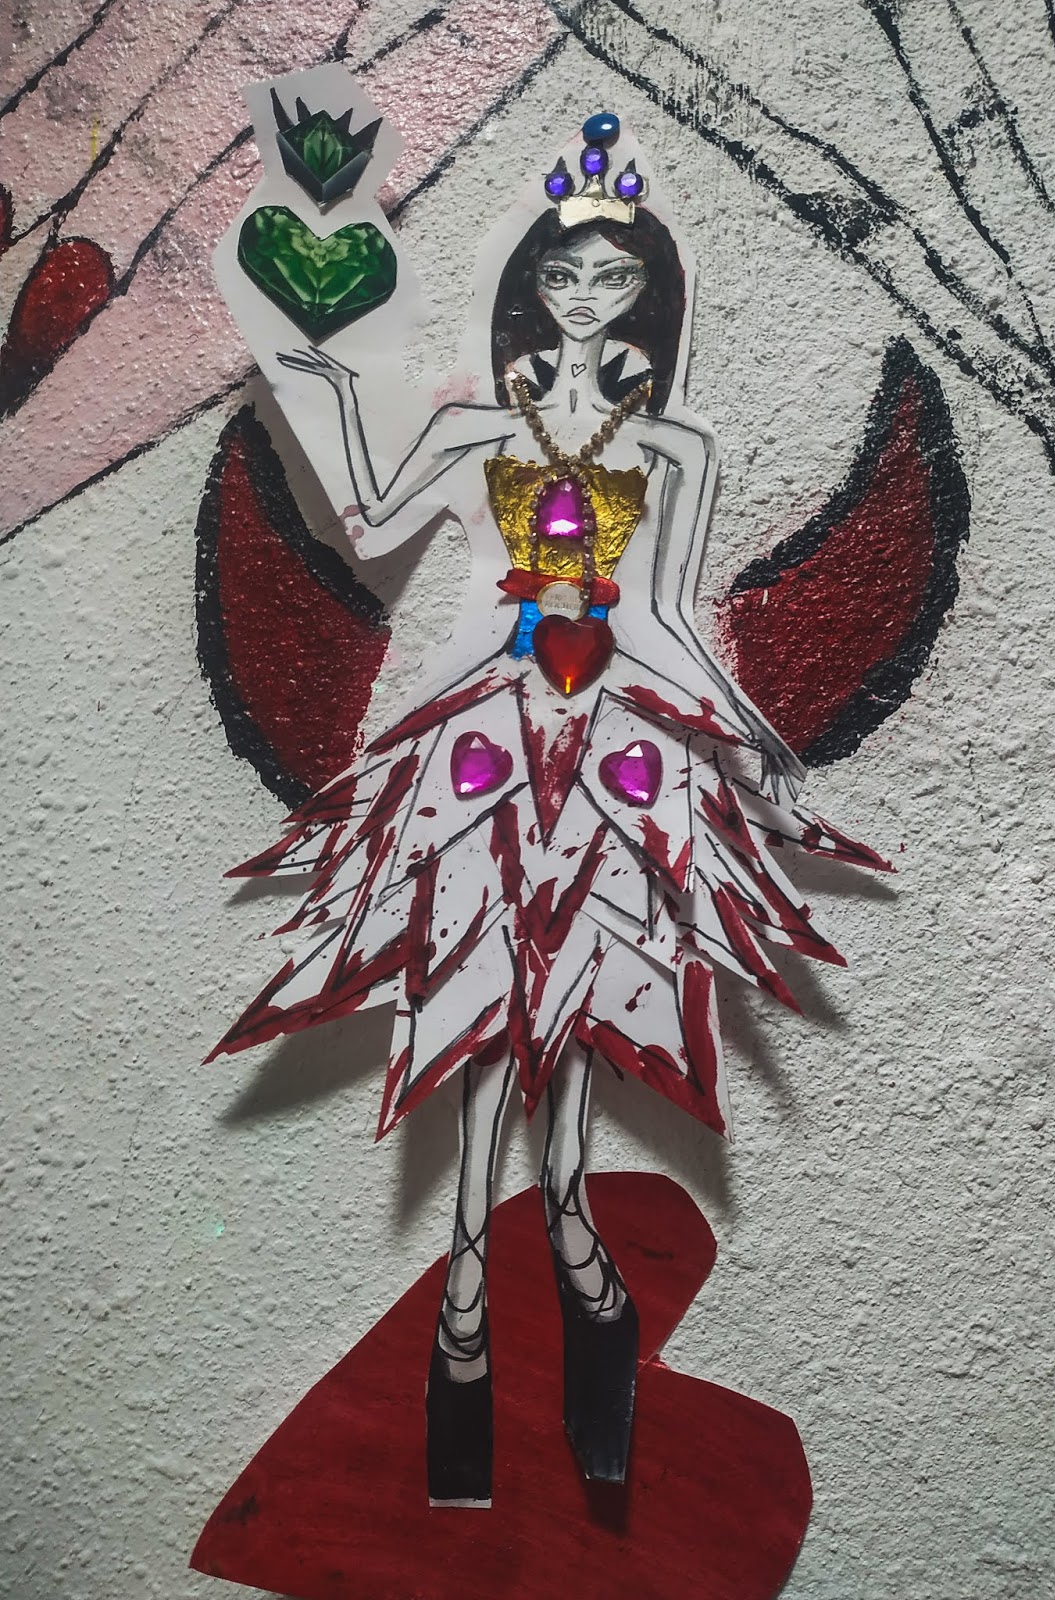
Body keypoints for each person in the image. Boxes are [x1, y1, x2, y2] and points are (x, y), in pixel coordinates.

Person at [211, 112, 889, 1507]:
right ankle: (474, 1296)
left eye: (615, 277)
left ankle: (570, 1252)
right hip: (485, 746)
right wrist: (322, 364)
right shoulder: (475, 430)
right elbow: (375, 510)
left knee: (579, 1000)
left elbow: (669, 622)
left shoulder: (674, 451)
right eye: (565, 275)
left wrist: (758, 755)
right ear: (532, 288)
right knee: (474, 991)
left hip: (616, 748)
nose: (587, 297)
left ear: (648, 295)